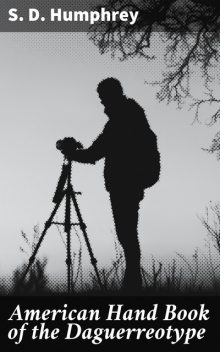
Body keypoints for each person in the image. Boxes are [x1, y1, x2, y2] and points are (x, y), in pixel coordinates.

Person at [61, 78, 160, 291]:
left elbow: (96, 152)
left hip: (126, 183)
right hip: (128, 182)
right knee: (127, 233)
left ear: (112, 95)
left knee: (126, 233)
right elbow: (98, 150)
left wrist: (72, 154)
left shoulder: (122, 119)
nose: (102, 102)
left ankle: (132, 286)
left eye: (103, 97)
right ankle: (132, 284)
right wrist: (78, 154)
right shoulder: (129, 115)